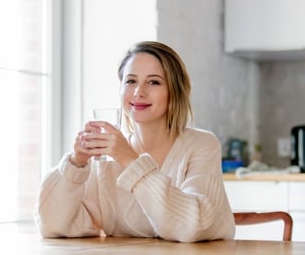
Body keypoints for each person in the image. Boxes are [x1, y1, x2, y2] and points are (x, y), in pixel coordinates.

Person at [35, 41, 235, 242]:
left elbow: (192, 227)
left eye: (154, 82)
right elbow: (52, 226)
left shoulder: (201, 145)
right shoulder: (104, 160)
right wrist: (75, 164)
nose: (139, 92)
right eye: (130, 81)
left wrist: (130, 160)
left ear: (175, 91)